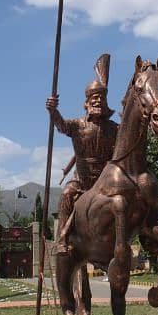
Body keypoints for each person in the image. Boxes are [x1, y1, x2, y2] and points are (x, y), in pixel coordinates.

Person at [46, 56, 118, 254]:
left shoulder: (114, 128)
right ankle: (62, 239)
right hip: (83, 180)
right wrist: (54, 112)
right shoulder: (77, 125)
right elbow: (61, 126)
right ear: (86, 103)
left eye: (101, 98)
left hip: (106, 180)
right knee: (66, 195)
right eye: (94, 98)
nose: (98, 101)